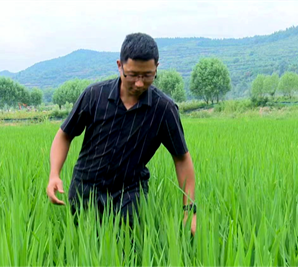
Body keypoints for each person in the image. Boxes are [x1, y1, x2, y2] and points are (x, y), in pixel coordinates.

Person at [46, 33, 196, 235]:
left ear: (156, 68)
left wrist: (189, 211)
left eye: (148, 75)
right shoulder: (94, 95)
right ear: (120, 65)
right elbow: (65, 135)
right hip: (86, 189)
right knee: (84, 251)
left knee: (128, 253)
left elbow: (182, 159)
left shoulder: (163, 109)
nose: (140, 83)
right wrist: (54, 174)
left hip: (129, 193)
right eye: (132, 75)